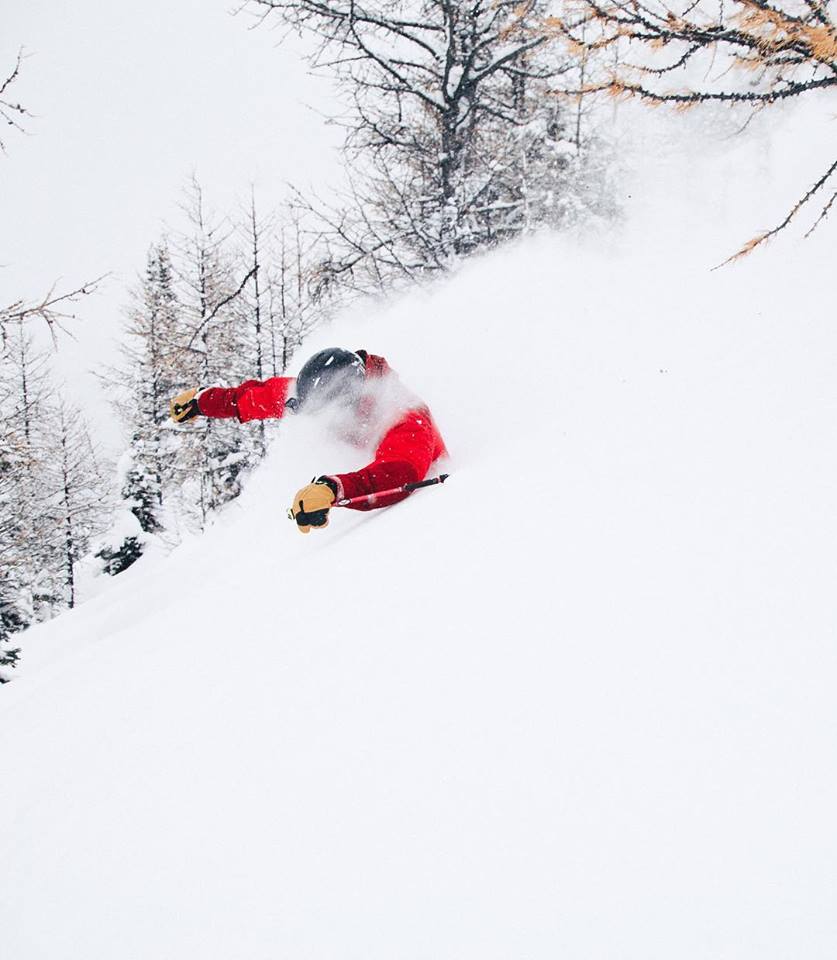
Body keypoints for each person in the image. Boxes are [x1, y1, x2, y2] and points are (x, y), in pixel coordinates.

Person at [169, 348, 447, 533]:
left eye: (326, 413)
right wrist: (202, 401)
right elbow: (256, 397)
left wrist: (332, 488)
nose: (317, 419)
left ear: (350, 403)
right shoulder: (315, 393)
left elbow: (400, 472)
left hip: (422, 515)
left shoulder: (404, 415)